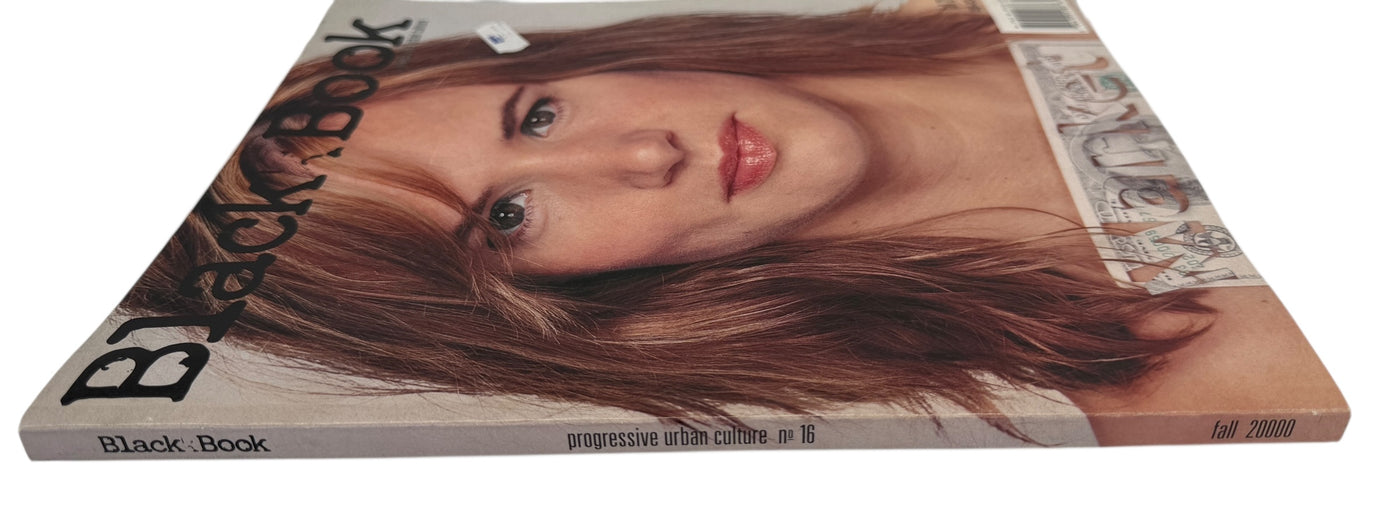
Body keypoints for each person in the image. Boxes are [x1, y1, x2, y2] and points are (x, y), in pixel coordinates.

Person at [123, 3, 1341, 445]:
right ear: (553, 310)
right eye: (510, 214)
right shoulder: (1173, 357)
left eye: (538, 113)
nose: (640, 155)